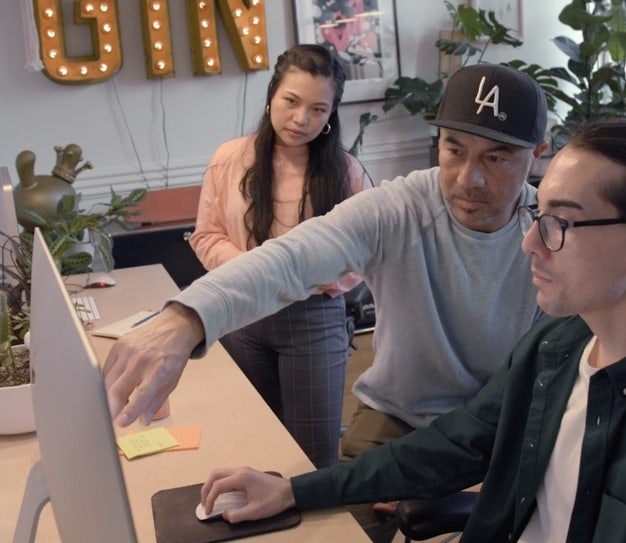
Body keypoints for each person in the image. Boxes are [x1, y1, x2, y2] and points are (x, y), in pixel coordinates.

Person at [195, 119, 626, 542]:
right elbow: (450, 446)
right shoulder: (557, 346)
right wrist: (294, 490)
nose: (530, 243)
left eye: (560, 222)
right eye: (538, 216)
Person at [103, 63, 549, 538]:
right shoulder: (402, 207)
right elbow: (293, 257)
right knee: (330, 529)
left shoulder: (554, 236)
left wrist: (453, 483)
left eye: (496, 158)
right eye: (454, 150)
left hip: (505, 428)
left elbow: (546, 395)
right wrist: (186, 318)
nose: (468, 178)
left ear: (537, 155)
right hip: (397, 415)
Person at [188, 44, 371, 469]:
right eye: (291, 101)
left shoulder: (345, 171)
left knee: (313, 459)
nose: (301, 119)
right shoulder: (229, 160)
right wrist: (257, 274)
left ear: (331, 114)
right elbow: (207, 235)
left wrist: (298, 278)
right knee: (256, 448)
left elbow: (364, 253)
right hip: (242, 315)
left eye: (318, 109)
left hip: (313, 319)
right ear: (272, 95)